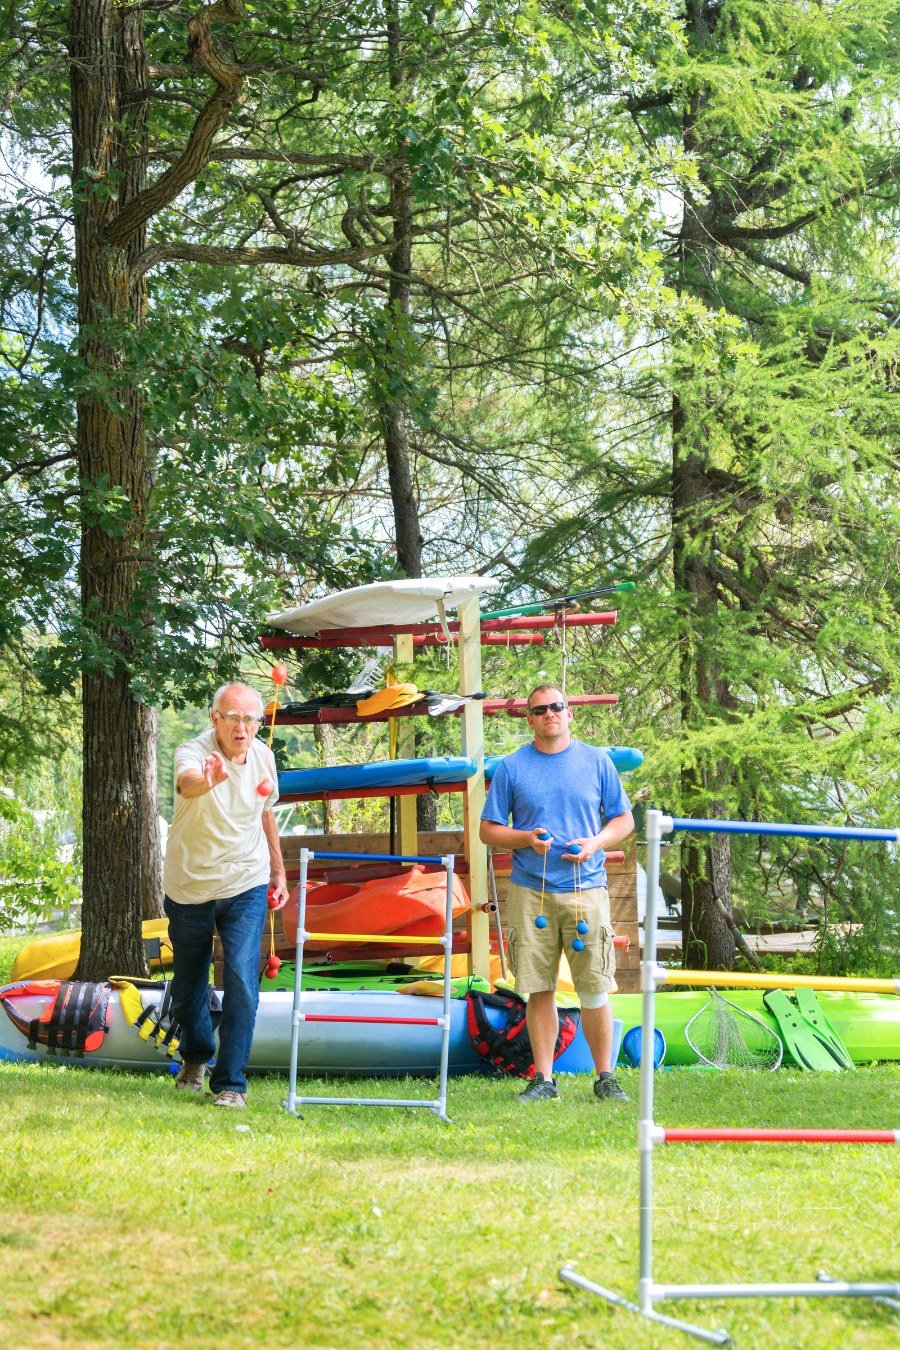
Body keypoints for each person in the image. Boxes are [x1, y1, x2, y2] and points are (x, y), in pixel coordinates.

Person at [480, 684, 634, 1103]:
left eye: (557, 707)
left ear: (569, 714)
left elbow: (624, 819)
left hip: (589, 891)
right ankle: (543, 1080)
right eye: (540, 709)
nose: (550, 713)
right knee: (539, 988)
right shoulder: (511, 768)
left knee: (595, 988)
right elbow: (488, 831)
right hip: (532, 892)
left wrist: (596, 843)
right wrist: (527, 838)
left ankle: (606, 1078)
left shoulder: (597, 761)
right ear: (529, 719)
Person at [163, 682, 288, 1108]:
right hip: (190, 885)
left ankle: (231, 1083)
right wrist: (211, 778)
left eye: (251, 718)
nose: (242, 727)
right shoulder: (193, 751)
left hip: (246, 882)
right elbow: (188, 784)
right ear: (214, 719)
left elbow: (266, 813)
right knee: (187, 988)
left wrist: (278, 871)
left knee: (241, 978)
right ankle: (197, 1055)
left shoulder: (265, 757)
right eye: (232, 717)